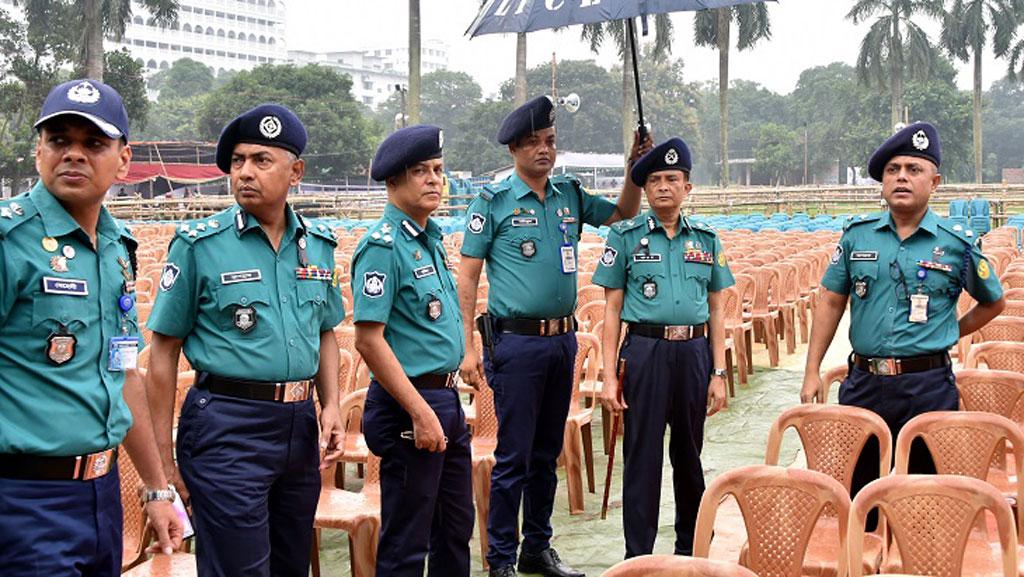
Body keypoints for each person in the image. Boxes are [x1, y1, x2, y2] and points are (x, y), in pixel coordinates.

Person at [146, 103, 345, 576]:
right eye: (238, 162)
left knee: (291, 564)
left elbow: (326, 332)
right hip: (227, 427)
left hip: (299, 427)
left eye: (261, 160)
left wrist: (332, 403)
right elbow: (162, 353)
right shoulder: (200, 245)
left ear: (296, 171)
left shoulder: (317, 244)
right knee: (241, 569)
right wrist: (163, 460)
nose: (245, 173)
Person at [457, 95, 650, 577]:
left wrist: (635, 168)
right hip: (516, 344)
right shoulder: (493, 203)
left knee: (547, 454)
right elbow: (468, 274)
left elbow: (625, 212)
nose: (544, 150)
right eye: (533, 143)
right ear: (514, 151)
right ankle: (500, 556)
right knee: (513, 456)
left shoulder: (569, 194)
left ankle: (536, 548)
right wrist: (466, 345)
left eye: (550, 141)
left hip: (562, 341)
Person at [0, 78, 182, 575]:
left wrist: (155, 487)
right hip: (23, 501)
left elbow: (123, 373)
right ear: (39, 151)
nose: (74, 155)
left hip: (103, 497)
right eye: (60, 141)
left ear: (123, 160)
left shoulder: (116, 247)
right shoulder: (9, 239)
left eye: (94, 144)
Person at [801, 122, 1005, 514]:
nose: (902, 178)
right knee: (861, 497)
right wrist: (812, 370)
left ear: (935, 181)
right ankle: (865, 560)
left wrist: (950, 331)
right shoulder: (857, 237)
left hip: (927, 387)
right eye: (893, 170)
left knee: (924, 499)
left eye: (914, 170)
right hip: (863, 383)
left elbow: (993, 301)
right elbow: (830, 302)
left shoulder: (956, 243)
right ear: (882, 182)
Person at [593, 137, 732, 558]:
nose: (663, 187)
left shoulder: (706, 239)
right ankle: (639, 555)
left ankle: (691, 549)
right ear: (646, 189)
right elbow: (612, 309)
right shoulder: (625, 236)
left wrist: (719, 373)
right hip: (644, 354)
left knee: (689, 457)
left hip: (692, 354)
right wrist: (605, 376)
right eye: (654, 180)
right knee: (642, 458)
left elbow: (717, 310)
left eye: (673, 179)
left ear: (688, 188)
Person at [352, 124, 473, 577]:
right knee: (407, 541)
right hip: (409, 404)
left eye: (438, 170)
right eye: (420, 171)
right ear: (392, 182)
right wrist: (420, 412)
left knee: (455, 528)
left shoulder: (431, 239)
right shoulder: (384, 247)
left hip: (446, 400)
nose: (434, 180)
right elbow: (368, 339)